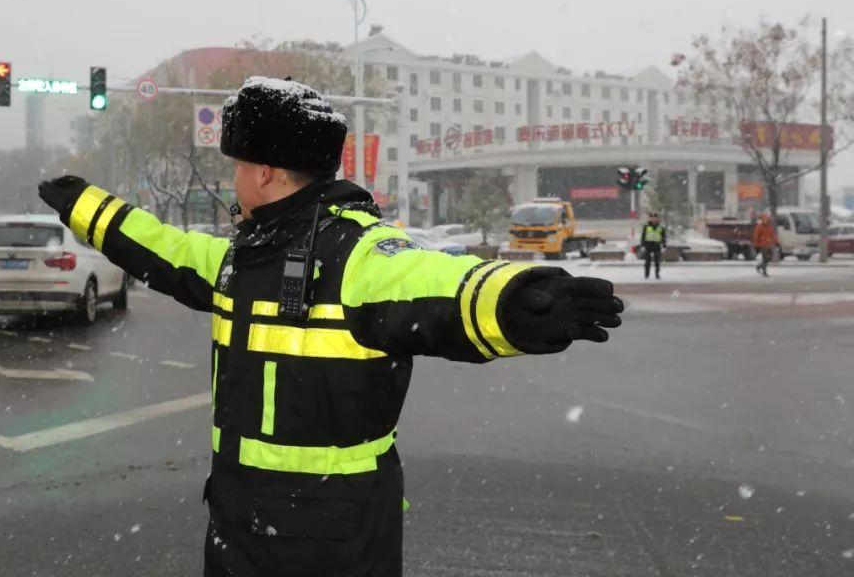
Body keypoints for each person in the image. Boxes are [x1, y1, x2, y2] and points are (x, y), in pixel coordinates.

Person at [38, 76, 625, 577]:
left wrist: (517, 301)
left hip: (332, 542)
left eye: (240, 167)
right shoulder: (244, 258)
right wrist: (86, 207)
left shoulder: (359, 255)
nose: (235, 180)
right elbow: (165, 251)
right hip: (240, 525)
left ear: (265, 173)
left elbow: (441, 283)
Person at [639, 212, 667, 280]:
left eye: (655, 218)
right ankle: (646, 275)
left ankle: (657, 275)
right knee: (647, 261)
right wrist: (642, 245)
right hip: (648, 245)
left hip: (657, 245)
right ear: (650, 219)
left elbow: (663, 237)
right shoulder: (646, 227)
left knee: (657, 261)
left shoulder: (661, 227)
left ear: (657, 219)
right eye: (652, 218)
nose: (653, 219)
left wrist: (664, 245)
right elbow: (643, 236)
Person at [753, 211, 778, 277]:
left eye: (766, 219)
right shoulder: (759, 226)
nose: (765, 220)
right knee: (765, 258)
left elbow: (773, 235)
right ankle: (764, 272)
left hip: (769, 245)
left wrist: (774, 241)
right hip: (762, 245)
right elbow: (756, 236)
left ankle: (759, 266)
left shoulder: (770, 226)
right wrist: (757, 244)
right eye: (764, 219)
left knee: (769, 258)